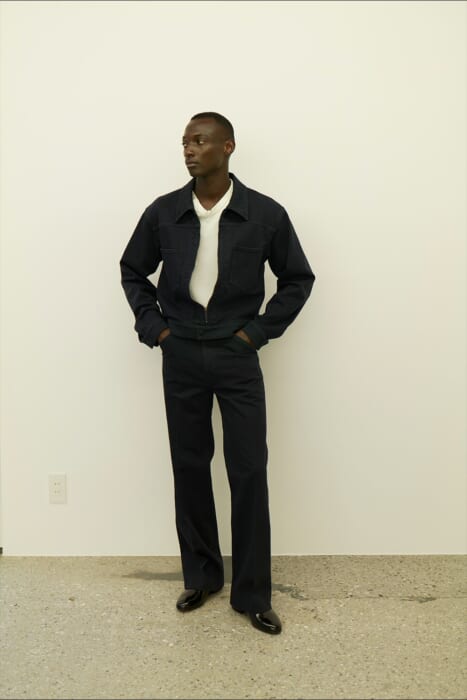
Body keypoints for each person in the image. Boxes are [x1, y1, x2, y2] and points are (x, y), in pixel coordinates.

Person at [119, 112, 315, 635]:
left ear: (227, 147)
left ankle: (252, 594)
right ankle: (202, 577)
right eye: (185, 141)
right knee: (189, 465)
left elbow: (297, 279)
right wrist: (157, 330)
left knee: (248, 469)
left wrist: (255, 334)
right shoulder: (164, 212)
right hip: (181, 352)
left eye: (199, 141)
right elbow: (133, 270)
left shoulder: (264, 214)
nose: (188, 149)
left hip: (236, 354)